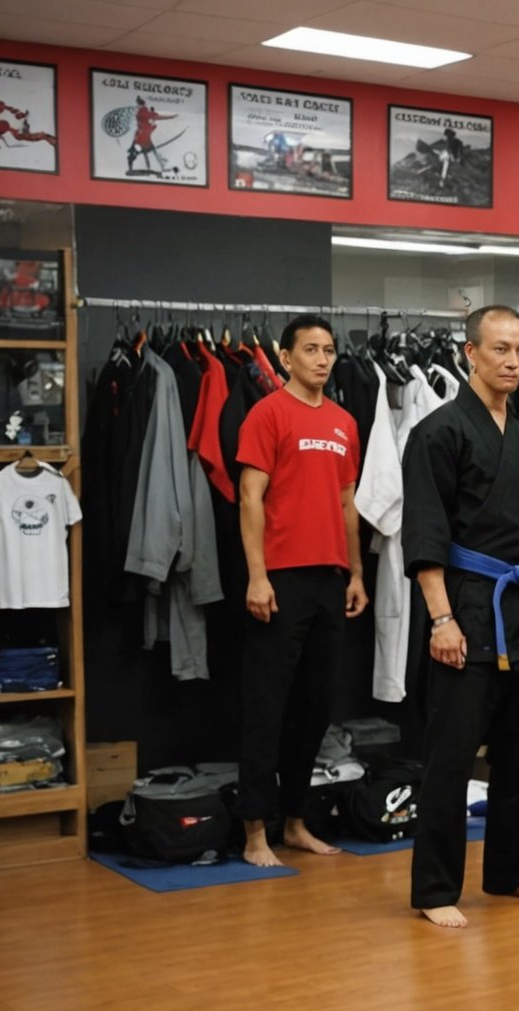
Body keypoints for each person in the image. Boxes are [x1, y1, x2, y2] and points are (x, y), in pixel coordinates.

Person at [402, 305, 519, 929]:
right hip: (469, 608)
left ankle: (512, 872)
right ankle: (434, 888)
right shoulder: (438, 432)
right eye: (500, 349)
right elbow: (425, 531)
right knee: (451, 759)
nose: (513, 361)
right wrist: (441, 620)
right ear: (470, 354)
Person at [234, 315, 369, 868]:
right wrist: (257, 575)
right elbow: (250, 497)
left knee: (314, 709)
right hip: (281, 578)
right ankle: (254, 833)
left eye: (329, 350)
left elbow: (347, 502)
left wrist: (356, 573)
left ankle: (294, 822)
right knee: (266, 707)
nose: (322, 359)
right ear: (286, 358)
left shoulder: (343, 422)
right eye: (310, 349)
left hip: (329, 578)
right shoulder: (267, 413)